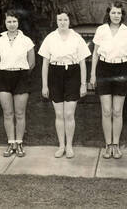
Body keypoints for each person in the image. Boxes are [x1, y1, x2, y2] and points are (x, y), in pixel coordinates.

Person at [39, 9, 91, 158]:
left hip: (72, 74)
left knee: (69, 113)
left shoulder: (77, 38)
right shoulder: (50, 38)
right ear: (56, 21)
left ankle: (69, 146)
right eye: (60, 20)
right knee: (59, 114)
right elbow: (45, 64)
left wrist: (83, 84)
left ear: (69, 21)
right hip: (55, 74)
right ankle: (61, 145)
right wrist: (44, 85)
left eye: (65, 20)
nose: (63, 22)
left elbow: (82, 63)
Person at [90, 1, 127, 159]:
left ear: (122, 15)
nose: (116, 16)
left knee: (117, 111)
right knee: (106, 110)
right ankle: (107, 145)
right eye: (113, 13)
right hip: (103, 69)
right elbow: (95, 53)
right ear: (108, 14)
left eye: (119, 13)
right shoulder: (101, 30)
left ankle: (116, 145)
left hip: (122, 70)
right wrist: (92, 75)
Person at [0, 10, 35, 157]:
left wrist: (21, 72)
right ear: (5, 22)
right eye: (9, 21)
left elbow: (32, 62)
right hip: (4, 77)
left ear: (18, 22)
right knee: (8, 113)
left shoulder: (26, 40)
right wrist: (7, 71)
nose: (12, 24)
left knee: (20, 112)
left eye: (14, 21)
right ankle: (11, 143)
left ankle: (19, 142)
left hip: (21, 76)